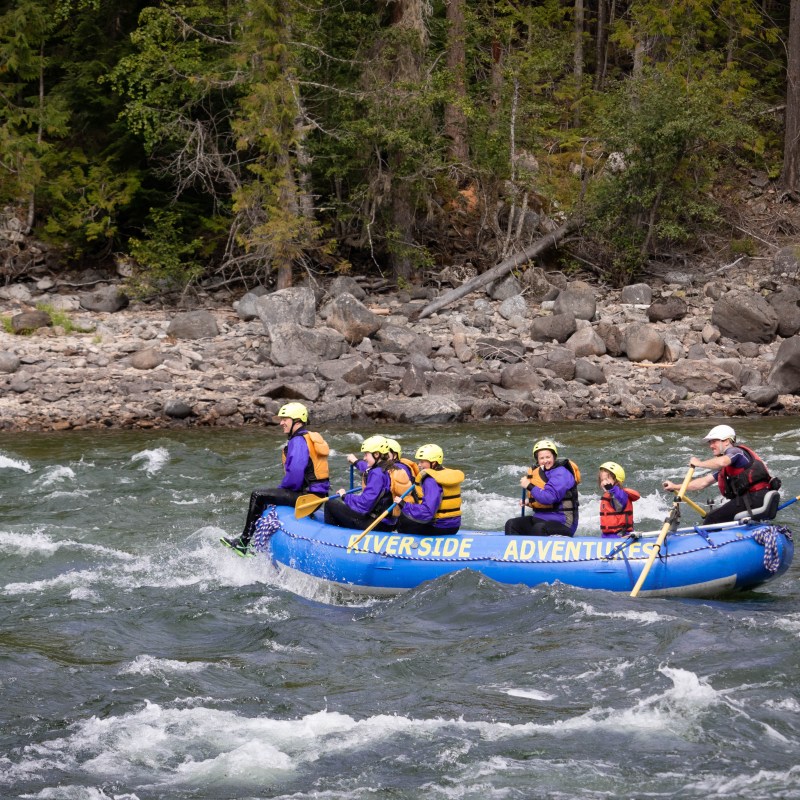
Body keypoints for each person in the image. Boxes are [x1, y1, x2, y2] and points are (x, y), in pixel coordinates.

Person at [221, 402, 330, 554]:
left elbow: (296, 474)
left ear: (297, 421)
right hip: (317, 496)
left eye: (285, 419)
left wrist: (280, 490)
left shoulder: (298, 441)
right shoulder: (305, 437)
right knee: (269, 495)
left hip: (307, 497)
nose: (281, 423)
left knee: (258, 495)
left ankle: (243, 542)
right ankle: (255, 543)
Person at [662, 424, 779, 525]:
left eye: (714, 441)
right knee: (714, 514)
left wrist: (699, 463)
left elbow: (722, 461)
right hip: (752, 499)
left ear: (727, 441)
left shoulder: (736, 452)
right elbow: (703, 482)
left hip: (754, 499)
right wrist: (675, 486)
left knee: (711, 519)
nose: (711, 445)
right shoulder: (730, 466)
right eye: (710, 442)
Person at [505, 439, 580, 537]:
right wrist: (530, 502)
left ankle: (538, 552)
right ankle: (515, 551)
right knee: (512, 524)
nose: (545, 461)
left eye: (548, 457)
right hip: (540, 518)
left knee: (539, 528)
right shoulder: (539, 472)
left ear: (554, 456)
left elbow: (549, 497)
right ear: (538, 460)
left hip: (563, 523)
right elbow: (541, 495)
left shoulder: (562, 473)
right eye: (542, 458)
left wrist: (529, 485)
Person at [325, 435, 395, 530]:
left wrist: (345, 496)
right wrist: (355, 461)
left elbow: (364, 504)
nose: (364, 458)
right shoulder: (389, 467)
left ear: (377, 454)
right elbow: (366, 468)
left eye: (366, 454)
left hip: (375, 523)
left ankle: (333, 537)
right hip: (387, 522)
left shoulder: (377, 474)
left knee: (330, 504)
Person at [394, 444, 464, 535]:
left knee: (402, 522)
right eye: (419, 461)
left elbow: (427, 512)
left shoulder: (431, 480)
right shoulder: (446, 475)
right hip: (454, 526)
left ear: (433, 462)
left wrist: (404, 505)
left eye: (422, 462)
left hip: (438, 527)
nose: (419, 465)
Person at [598, 461, 640, 538]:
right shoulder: (609, 494)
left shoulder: (620, 494)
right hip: (608, 535)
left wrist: (611, 488)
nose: (604, 482)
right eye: (602, 479)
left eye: (607, 479)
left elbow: (619, 504)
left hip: (620, 535)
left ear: (616, 480)